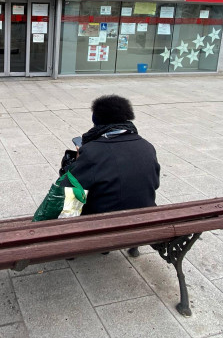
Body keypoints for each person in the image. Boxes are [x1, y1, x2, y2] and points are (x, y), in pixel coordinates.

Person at [62, 94, 161, 255]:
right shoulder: (147, 146)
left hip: (104, 224)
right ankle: (133, 246)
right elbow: (154, 183)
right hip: (143, 217)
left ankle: (72, 245)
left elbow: (71, 188)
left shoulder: (92, 151)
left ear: (96, 120)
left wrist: (77, 162)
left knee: (72, 195)